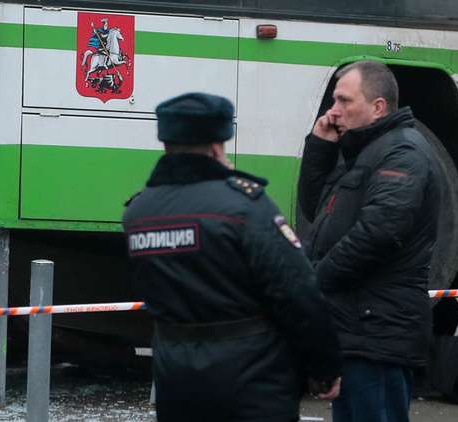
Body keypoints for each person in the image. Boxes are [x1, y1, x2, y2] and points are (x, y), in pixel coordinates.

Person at [124, 92, 342, 421]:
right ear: (217, 145)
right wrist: (325, 367)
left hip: (175, 379)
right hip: (252, 382)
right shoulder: (245, 207)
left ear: (166, 141)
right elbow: (299, 293)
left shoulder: (139, 212)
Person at [298, 61, 438, 422]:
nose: (334, 111)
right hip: (358, 328)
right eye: (334, 101)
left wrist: (315, 281)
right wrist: (320, 148)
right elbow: (322, 212)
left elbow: (378, 232)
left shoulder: (402, 152)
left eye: (344, 101)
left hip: (377, 333)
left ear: (377, 107)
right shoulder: (362, 150)